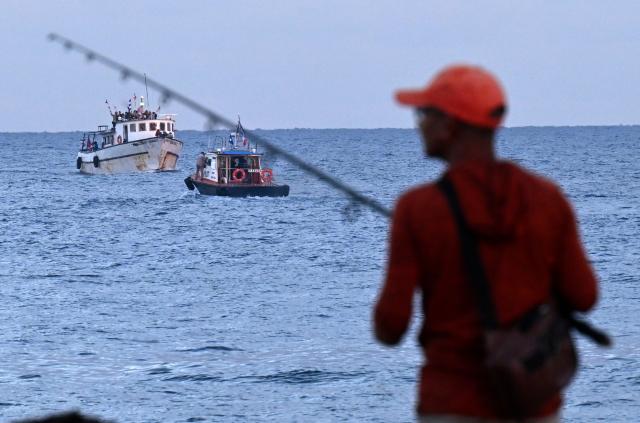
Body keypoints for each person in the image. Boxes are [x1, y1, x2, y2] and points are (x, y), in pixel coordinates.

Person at [373, 65, 598, 422]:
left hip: (451, 403)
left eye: (424, 113)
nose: (418, 124)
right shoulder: (547, 198)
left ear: (450, 125)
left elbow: (390, 327)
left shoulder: (417, 209)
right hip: (532, 401)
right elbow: (584, 295)